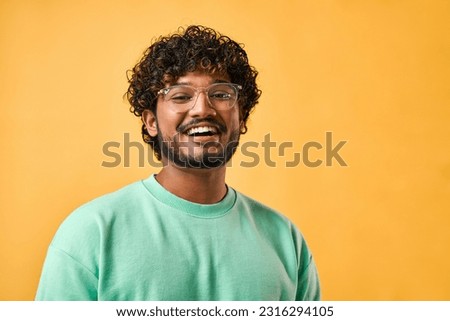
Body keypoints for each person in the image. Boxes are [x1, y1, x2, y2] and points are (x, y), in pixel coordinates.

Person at [36, 25, 320, 300]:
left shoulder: (285, 240)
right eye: (181, 96)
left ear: (241, 118)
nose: (202, 109)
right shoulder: (91, 232)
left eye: (221, 94)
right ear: (151, 122)